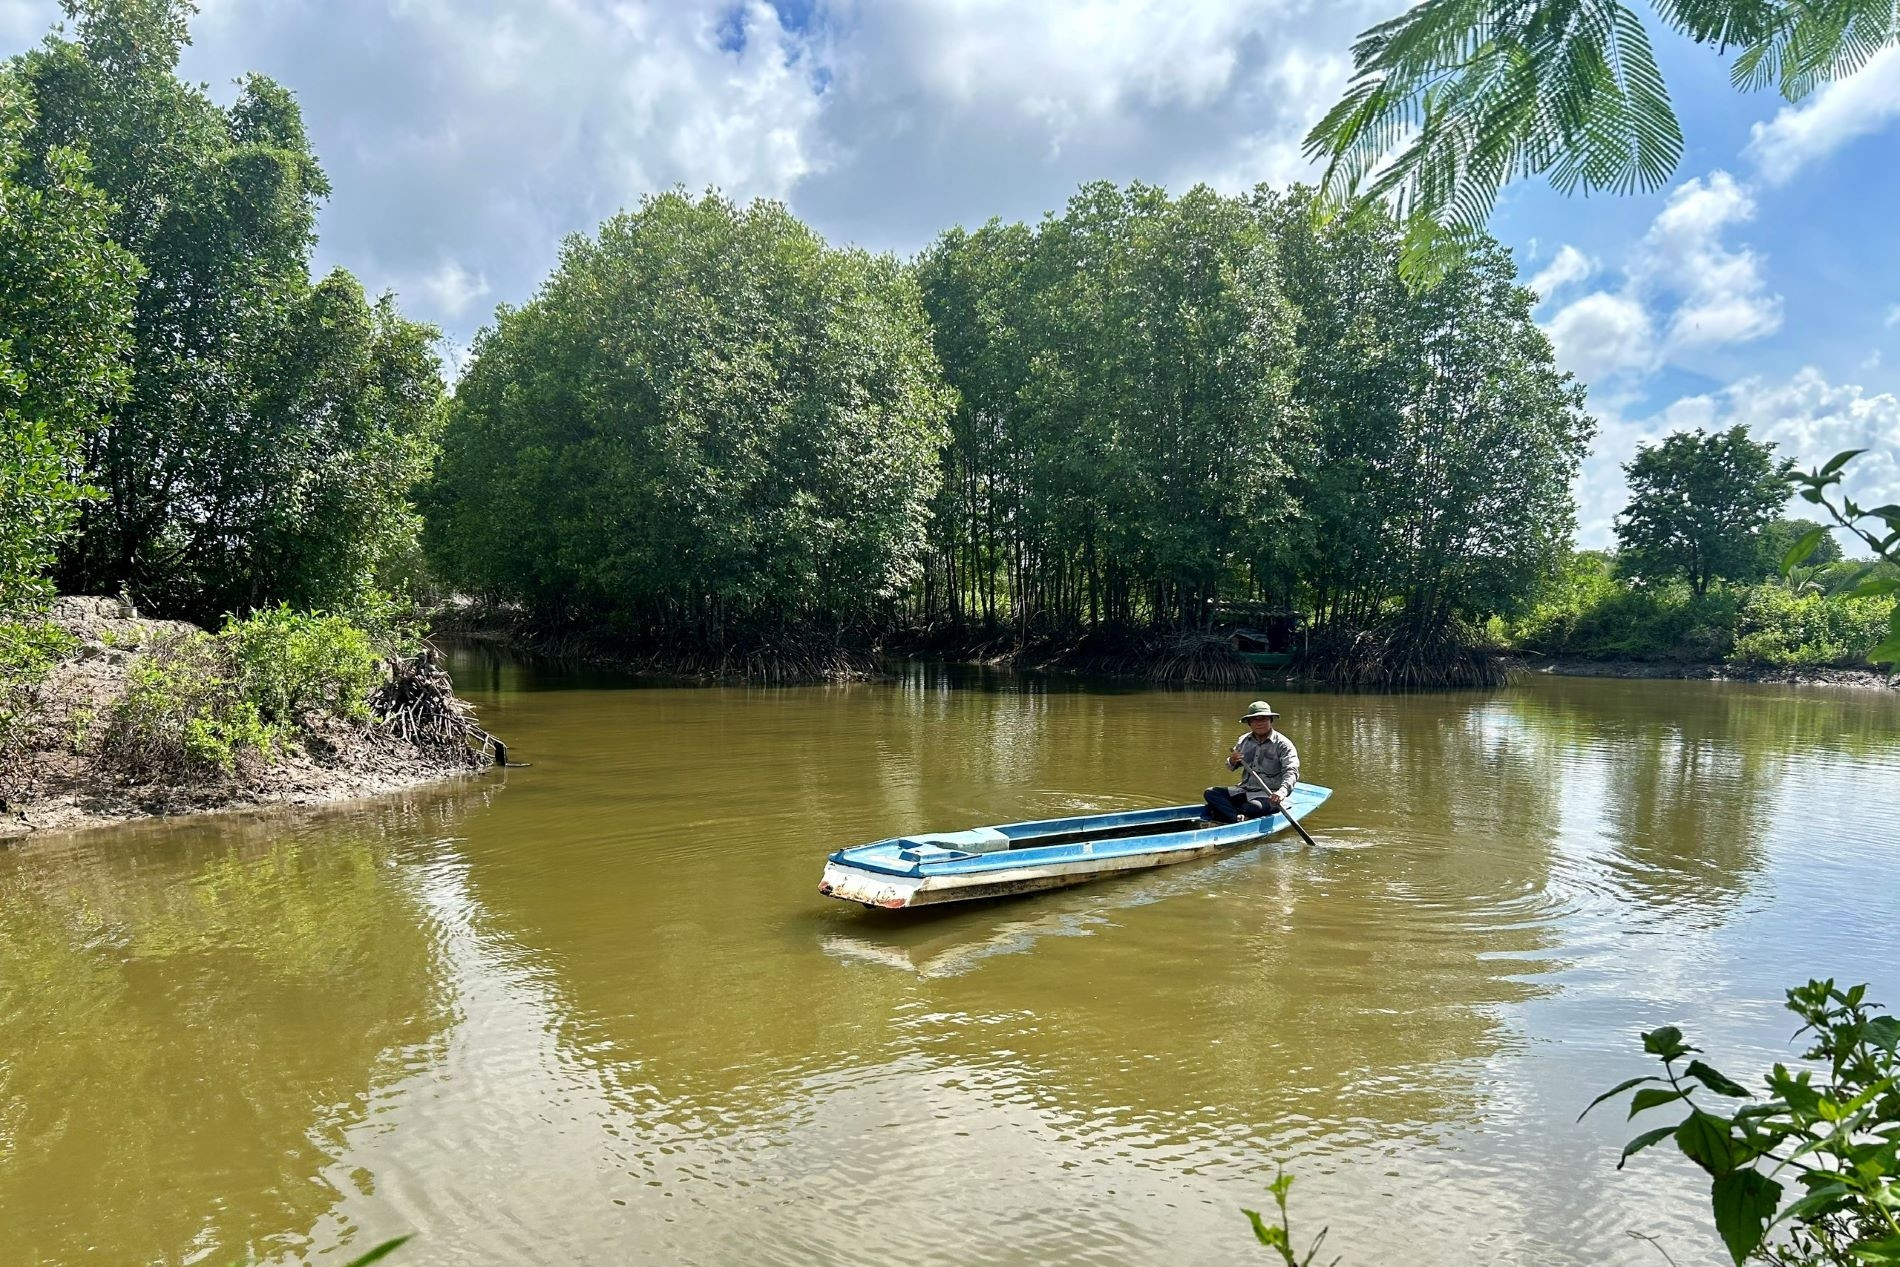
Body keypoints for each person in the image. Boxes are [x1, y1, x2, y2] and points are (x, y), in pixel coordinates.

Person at [1203, 700, 1299, 824]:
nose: (1259, 723)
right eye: (1255, 720)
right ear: (1249, 723)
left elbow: (1291, 771)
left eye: (1263, 719)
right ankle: (1236, 817)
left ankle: (1229, 813)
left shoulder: (1283, 744)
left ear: (1271, 720)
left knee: (1253, 807)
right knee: (1211, 793)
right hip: (1244, 790)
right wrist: (1232, 760)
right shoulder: (1243, 740)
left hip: (1269, 794)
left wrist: (1282, 792)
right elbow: (1230, 766)